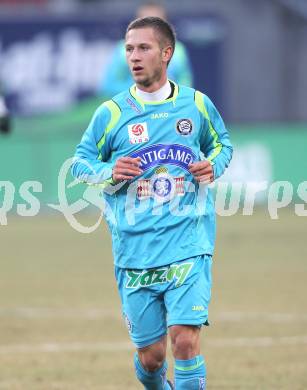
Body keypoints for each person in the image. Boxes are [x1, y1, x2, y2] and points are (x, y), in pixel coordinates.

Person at [71, 16, 233, 390]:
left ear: (166, 53)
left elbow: (222, 144)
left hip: (188, 244)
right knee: (152, 357)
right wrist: (109, 170)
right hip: (134, 251)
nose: (134, 56)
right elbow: (80, 162)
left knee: (185, 340)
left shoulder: (196, 105)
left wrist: (213, 165)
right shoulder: (111, 114)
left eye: (143, 48)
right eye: (129, 49)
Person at [97, 2, 193, 98]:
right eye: (144, 22)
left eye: (156, 23)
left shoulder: (178, 50)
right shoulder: (122, 50)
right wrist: (141, 91)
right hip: (133, 108)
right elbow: (109, 86)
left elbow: (186, 84)